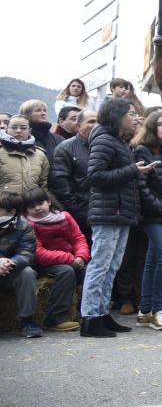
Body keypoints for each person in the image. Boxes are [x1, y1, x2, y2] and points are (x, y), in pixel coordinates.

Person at [80, 98, 152, 338]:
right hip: (108, 213)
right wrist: (133, 170)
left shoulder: (118, 141)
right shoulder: (104, 140)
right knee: (100, 265)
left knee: (111, 267)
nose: (134, 118)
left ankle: (101, 314)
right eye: (130, 113)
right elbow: (95, 176)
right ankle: (90, 318)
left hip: (119, 212)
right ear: (117, 115)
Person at [131, 111, 162, 331]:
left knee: (152, 260)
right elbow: (141, 186)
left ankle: (145, 310)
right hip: (150, 215)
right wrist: (161, 206)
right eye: (159, 124)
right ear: (151, 127)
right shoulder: (142, 150)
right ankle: (158, 309)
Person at [22, 187, 87, 332]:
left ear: (49, 202)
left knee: (90, 270)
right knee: (66, 271)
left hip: (71, 258)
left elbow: (78, 238)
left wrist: (81, 256)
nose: (37, 208)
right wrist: (70, 259)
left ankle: (86, 312)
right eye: (32, 207)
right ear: (26, 210)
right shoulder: (29, 224)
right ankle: (55, 318)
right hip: (42, 263)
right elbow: (38, 252)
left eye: (40, 203)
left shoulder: (65, 216)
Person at [49, 109, 97, 243]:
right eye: (91, 121)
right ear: (78, 125)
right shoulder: (65, 148)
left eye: (99, 122)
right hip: (80, 215)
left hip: (102, 213)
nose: (96, 125)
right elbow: (60, 185)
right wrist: (79, 212)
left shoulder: (105, 147)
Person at [0, 192, 44, 337]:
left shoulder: (24, 227)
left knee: (27, 272)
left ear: (11, 212)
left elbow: (27, 254)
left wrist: (8, 263)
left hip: (9, 270)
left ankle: (27, 320)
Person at [0, 115, 49, 194]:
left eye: (23, 128)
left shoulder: (40, 154)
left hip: (32, 204)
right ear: (6, 129)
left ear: (29, 131)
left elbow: (44, 185)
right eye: (14, 127)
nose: (18, 131)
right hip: (5, 204)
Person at [19, 100, 63, 165]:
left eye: (44, 110)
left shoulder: (59, 139)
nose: (43, 113)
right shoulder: (20, 137)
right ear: (26, 114)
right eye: (38, 110)